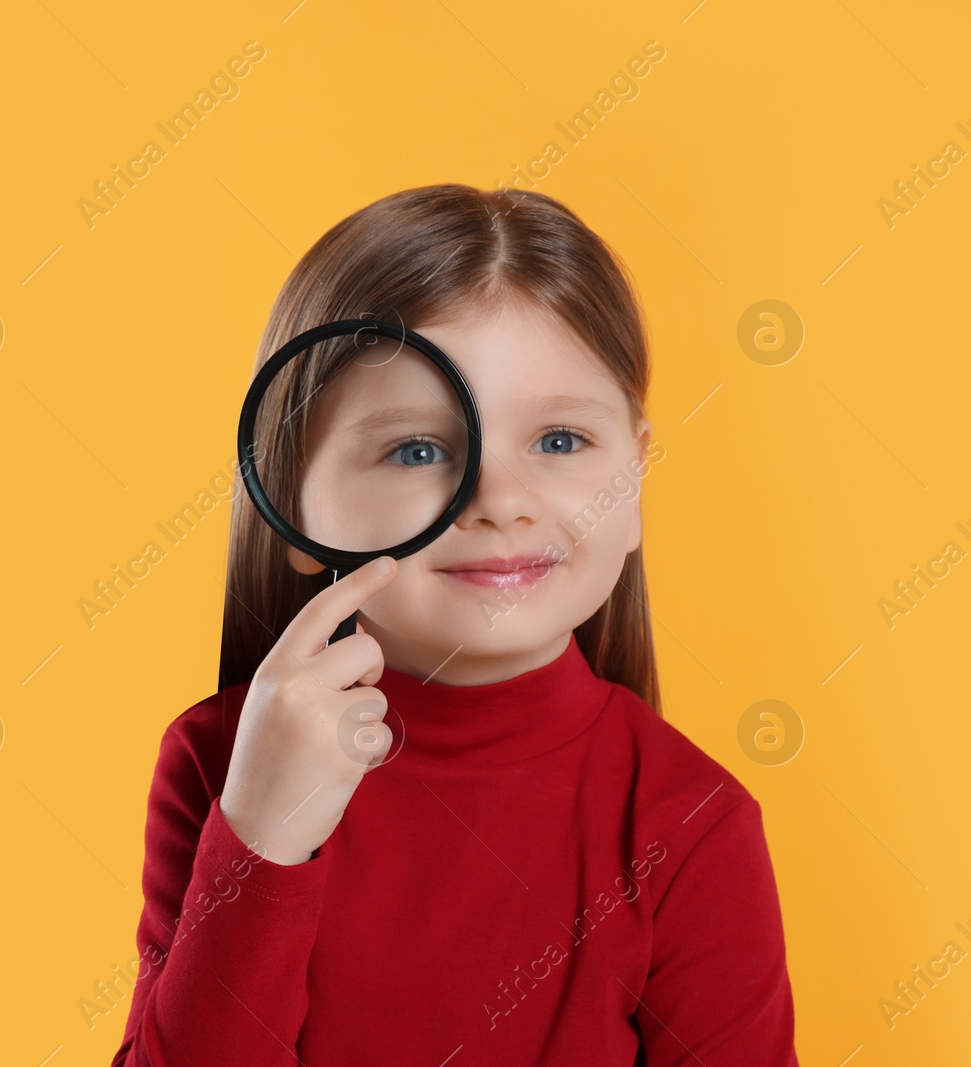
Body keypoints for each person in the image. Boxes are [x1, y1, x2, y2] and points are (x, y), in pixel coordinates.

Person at [109, 184, 799, 1064]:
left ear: (635, 479)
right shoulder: (220, 761)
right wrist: (261, 843)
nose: (500, 500)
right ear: (290, 507)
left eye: (558, 440)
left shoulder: (691, 824)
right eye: (419, 450)